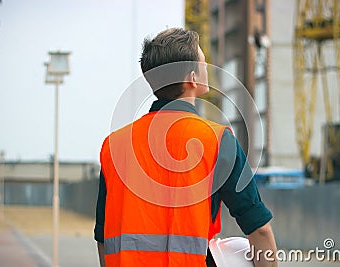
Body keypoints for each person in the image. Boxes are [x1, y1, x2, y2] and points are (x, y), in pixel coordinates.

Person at [94, 27, 277, 267]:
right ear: (192, 77)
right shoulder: (217, 141)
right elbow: (259, 231)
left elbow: (103, 239)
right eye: (203, 61)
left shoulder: (114, 146)